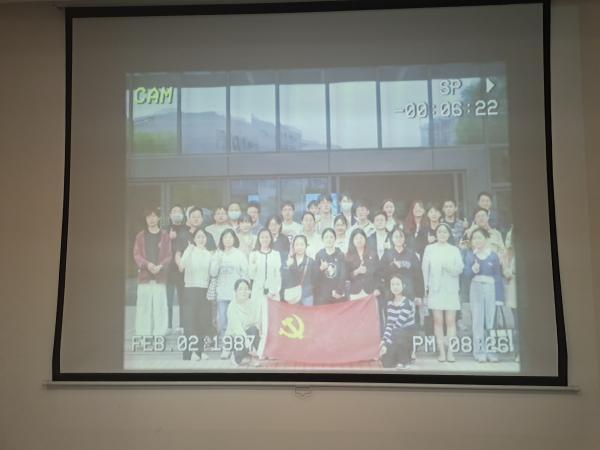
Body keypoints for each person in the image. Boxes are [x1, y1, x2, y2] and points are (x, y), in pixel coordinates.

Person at [422, 223, 465, 362]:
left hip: (451, 289)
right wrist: (425, 288)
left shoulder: (454, 250)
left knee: (451, 321)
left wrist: (449, 267)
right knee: (438, 321)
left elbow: (460, 268)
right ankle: (441, 352)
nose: (442, 234)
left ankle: (451, 352)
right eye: (439, 231)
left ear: (449, 234)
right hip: (435, 289)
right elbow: (425, 270)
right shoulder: (429, 249)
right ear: (436, 234)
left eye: (445, 232)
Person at [464, 227, 505, 363]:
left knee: (490, 320)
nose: (477, 240)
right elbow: (466, 275)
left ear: (486, 239)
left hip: (491, 287)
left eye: (480, 237)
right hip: (476, 287)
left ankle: (491, 351)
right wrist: (473, 270)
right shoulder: (470, 255)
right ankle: (479, 351)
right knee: (477, 320)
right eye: (474, 238)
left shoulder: (493, 255)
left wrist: (499, 297)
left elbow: (498, 276)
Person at [133, 208, 172, 336]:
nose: (152, 219)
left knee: (160, 306)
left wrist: (160, 266)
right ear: (145, 219)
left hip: (160, 276)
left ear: (159, 218)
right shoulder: (140, 236)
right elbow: (137, 255)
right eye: (149, 216)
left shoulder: (165, 236)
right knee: (143, 306)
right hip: (145, 276)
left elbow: (169, 255)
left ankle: (160, 333)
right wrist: (148, 264)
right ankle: (143, 333)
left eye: (154, 216)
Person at [210, 229, 248, 358]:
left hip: (236, 296)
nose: (228, 240)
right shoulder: (218, 254)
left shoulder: (239, 254)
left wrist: (244, 292)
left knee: (235, 322)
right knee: (222, 322)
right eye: (225, 237)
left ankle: (235, 348)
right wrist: (218, 260)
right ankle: (225, 347)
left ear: (234, 239)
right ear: (221, 240)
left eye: (230, 237)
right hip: (222, 293)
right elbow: (213, 273)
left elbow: (245, 274)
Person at [179, 228, 214, 361]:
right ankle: (190, 353)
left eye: (203, 237)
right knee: (190, 321)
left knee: (203, 320)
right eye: (198, 237)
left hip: (204, 290)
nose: (201, 239)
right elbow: (181, 266)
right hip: (190, 290)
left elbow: (212, 272)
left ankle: (200, 351)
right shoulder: (189, 251)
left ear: (206, 239)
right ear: (194, 239)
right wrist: (188, 250)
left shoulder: (208, 254)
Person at [248, 228, 282, 356]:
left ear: (270, 238)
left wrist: (275, 290)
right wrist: (254, 264)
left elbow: (278, 274)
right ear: (258, 239)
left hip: (273, 293)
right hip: (258, 292)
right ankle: (260, 350)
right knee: (259, 321)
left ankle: (272, 350)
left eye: (267, 236)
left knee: (273, 321)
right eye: (262, 237)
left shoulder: (276, 254)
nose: (264, 239)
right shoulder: (254, 254)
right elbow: (251, 275)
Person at [378, 227, 424, 305]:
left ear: (404, 238)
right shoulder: (387, 254)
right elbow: (381, 273)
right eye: (396, 236)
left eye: (401, 236)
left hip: (409, 292)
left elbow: (418, 275)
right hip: (392, 294)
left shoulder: (411, 254)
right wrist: (393, 267)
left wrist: (419, 295)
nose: (398, 239)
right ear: (392, 238)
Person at [380, 275, 417, 369]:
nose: (395, 287)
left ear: (403, 285)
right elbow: (389, 324)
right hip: (395, 334)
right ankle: (398, 358)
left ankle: (405, 359)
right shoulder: (390, 303)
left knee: (400, 334)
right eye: (392, 284)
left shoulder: (407, 303)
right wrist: (383, 341)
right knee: (386, 364)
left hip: (406, 334)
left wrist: (387, 344)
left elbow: (398, 325)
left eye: (397, 284)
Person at [225, 279, 261, 367]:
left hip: (249, 335)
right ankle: (236, 356)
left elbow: (257, 323)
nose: (243, 292)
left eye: (246, 289)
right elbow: (238, 330)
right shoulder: (232, 307)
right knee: (241, 337)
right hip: (236, 337)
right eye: (240, 289)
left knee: (254, 329)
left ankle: (252, 358)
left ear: (250, 291)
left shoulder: (253, 304)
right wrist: (250, 347)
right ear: (235, 291)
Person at [166, 205, 187, 331]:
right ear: (169, 215)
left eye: (179, 211)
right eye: (174, 212)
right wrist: (168, 239)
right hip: (168, 270)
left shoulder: (186, 229)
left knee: (183, 299)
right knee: (167, 299)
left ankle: (182, 325)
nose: (176, 214)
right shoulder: (165, 230)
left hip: (182, 269)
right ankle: (168, 325)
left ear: (183, 215)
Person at [282, 235, 318, 306]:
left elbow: (315, 279)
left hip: (307, 296)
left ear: (306, 246)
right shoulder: (288, 260)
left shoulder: (311, 261)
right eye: (297, 244)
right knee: (292, 313)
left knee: (307, 313)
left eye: (302, 244)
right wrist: (288, 266)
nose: (299, 247)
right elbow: (284, 279)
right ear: (293, 246)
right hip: (292, 296)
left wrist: (309, 288)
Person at [314, 228, 347, 305]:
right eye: (326, 237)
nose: (329, 239)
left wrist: (339, 291)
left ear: (335, 239)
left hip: (337, 294)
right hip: (323, 295)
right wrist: (320, 269)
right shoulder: (319, 255)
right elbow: (314, 277)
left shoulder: (340, 254)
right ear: (322, 239)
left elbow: (343, 275)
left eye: (331, 237)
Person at [346, 228, 380, 300]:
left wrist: (377, 288)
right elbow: (346, 276)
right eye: (356, 238)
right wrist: (357, 271)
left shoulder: (373, 254)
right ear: (352, 241)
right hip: (355, 292)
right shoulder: (348, 255)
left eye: (361, 237)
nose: (359, 240)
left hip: (370, 290)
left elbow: (378, 273)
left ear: (365, 239)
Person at [502, 226, 519, 362]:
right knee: (518, 324)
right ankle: (519, 353)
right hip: (515, 290)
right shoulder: (509, 252)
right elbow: (506, 272)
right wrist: (510, 271)